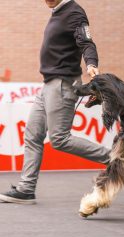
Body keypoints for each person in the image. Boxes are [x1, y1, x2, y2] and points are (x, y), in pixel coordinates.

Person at [0, 0, 111, 204]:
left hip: (63, 84)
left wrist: (92, 64)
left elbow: (86, 42)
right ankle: (26, 189)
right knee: (32, 134)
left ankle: (114, 158)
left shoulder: (75, 12)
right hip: (49, 84)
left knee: (59, 139)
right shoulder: (57, 12)